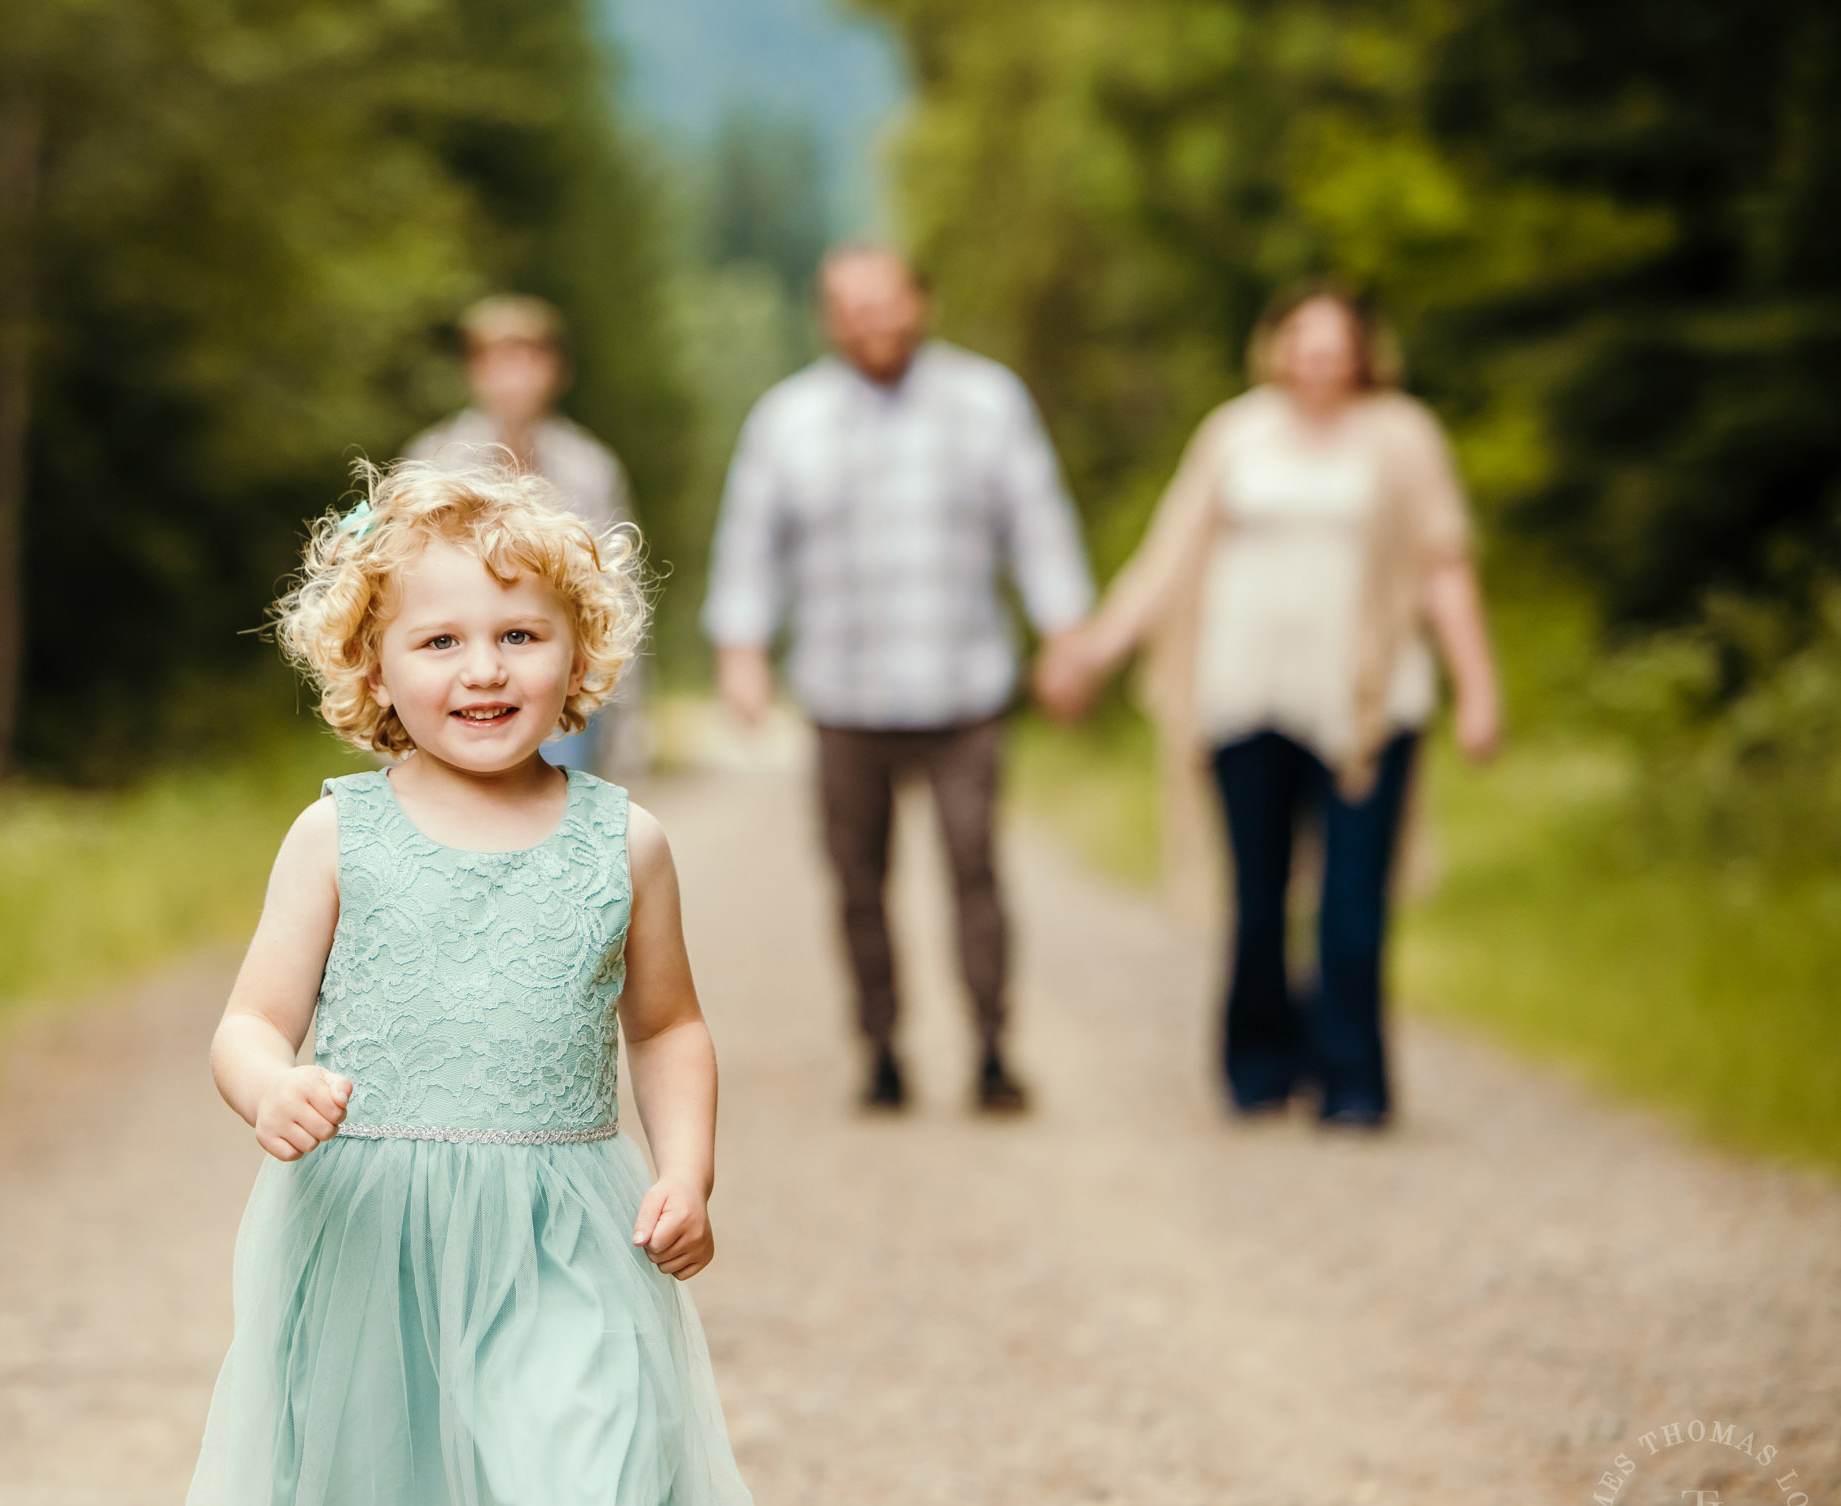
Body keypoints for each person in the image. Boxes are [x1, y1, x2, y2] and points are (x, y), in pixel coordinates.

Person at [164, 458, 782, 1506]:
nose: (484, 668)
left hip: (560, 1238)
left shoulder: (625, 840)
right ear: (373, 663)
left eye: (519, 634)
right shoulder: (339, 831)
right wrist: (270, 1086)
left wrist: (688, 1169)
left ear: (579, 654)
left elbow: (665, 1026)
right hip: (373, 1241)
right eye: (439, 639)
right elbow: (247, 1020)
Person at [1034, 280, 1503, 1128]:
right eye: (1303, 340)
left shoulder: (1402, 437)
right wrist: (1093, 651)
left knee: (1353, 902)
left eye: (1336, 343)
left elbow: (1444, 565)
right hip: (1243, 697)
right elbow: (1168, 558)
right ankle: (1259, 1067)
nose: (1319, 359)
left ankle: (1352, 1081)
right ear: (1277, 348)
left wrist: (1479, 687)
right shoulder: (1235, 433)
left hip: (1367, 707)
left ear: (1364, 352)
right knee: (1256, 899)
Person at [703, 244, 1096, 1114]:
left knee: (975, 870)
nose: (871, 318)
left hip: (965, 688)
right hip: (844, 695)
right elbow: (750, 545)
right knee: (856, 880)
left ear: (922, 302)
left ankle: (993, 1046)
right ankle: (880, 1047)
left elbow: (1039, 523)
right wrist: (742, 650)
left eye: (886, 300)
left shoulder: (987, 403)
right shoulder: (788, 418)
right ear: (829, 317)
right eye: (851, 304)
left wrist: (1067, 632)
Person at [407, 296, 637, 773]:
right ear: (473, 370)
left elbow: (619, 592)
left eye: (530, 358)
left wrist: (629, 718)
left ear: (557, 369)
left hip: (562, 682)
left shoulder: (591, 468)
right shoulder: (432, 459)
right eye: (497, 359)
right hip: (464, 677)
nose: (514, 376)